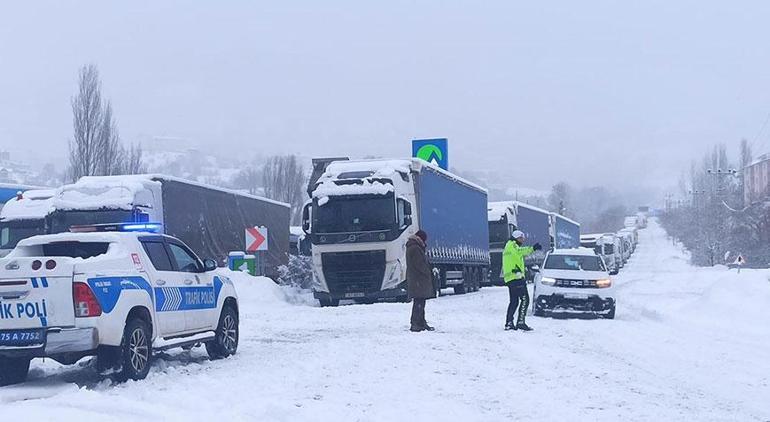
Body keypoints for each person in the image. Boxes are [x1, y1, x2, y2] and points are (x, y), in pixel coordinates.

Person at [502, 230, 542, 331]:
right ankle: (520, 322)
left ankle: (509, 323)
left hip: (511, 278)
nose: (522, 240)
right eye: (521, 238)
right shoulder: (513, 245)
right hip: (516, 277)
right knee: (525, 299)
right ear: (516, 238)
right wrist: (532, 248)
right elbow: (520, 252)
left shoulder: (509, 245)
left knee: (514, 301)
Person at [406, 230, 435, 332]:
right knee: (419, 301)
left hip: (417, 279)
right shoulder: (415, 248)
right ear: (420, 238)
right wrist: (428, 272)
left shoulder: (413, 247)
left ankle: (420, 322)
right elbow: (420, 264)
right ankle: (416, 323)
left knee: (420, 301)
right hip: (418, 279)